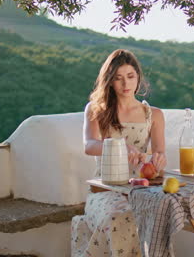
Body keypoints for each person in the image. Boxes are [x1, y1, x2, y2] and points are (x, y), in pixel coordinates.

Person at [71, 49, 167, 257]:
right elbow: (89, 145)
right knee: (121, 217)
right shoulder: (97, 110)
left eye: (130, 77)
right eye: (118, 78)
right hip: (104, 191)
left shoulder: (154, 115)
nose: (126, 84)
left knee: (160, 218)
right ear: (109, 81)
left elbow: (160, 154)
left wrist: (157, 160)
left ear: (138, 77)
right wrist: (120, 146)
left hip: (141, 191)